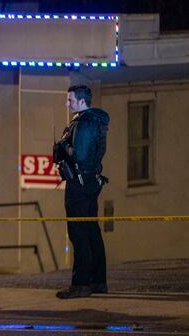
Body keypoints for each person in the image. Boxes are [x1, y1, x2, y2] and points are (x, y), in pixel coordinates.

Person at [53, 85, 110, 299]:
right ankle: (98, 281)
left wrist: (63, 147)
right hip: (90, 181)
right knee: (91, 229)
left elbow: (79, 155)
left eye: (70, 100)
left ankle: (81, 284)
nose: (67, 104)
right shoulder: (96, 121)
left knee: (79, 232)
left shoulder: (84, 123)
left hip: (79, 183)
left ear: (82, 101)